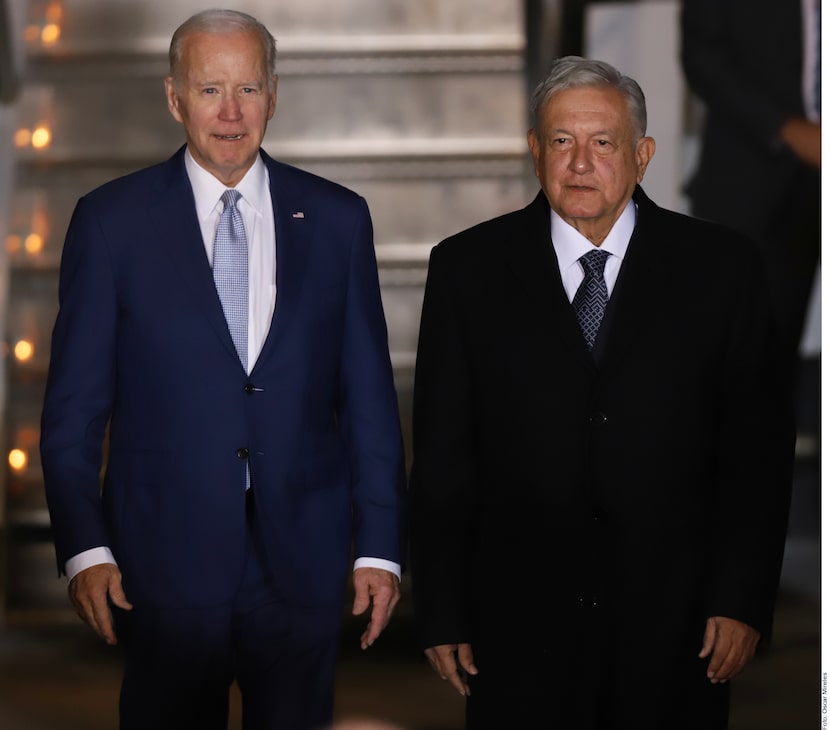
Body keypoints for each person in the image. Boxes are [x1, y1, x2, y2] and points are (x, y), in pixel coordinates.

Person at [39, 9, 405, 730]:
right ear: (174, 99)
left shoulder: (337, 220)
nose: (231, 113)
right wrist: (85, 548)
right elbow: (73, 412)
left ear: (274, 95)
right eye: (210, 90)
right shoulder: (111, 223)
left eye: (248, 89)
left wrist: (382, 550)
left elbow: (368, 398)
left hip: (302, 560)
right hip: (159, 567)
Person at [408, 56, 793, 729]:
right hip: (517, 633)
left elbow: (754, 454)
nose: (580, 163)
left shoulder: (723, 270)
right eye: (562, 142)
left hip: (678, 631)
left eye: (603, 143)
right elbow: (444, 457)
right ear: (535, 152)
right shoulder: (466, 269)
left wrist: (740, 598)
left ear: (641, 155)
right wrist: (442, 608)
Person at [680, 0, 821, 371]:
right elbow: (701, 56)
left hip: (809, 188)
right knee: (739, 353)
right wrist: (787, 130)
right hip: (751, 178)